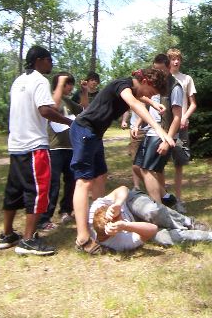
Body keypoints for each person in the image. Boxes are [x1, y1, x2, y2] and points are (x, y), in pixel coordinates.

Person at [70, 68, 176, 254]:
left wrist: (152, 102)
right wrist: (159, 130)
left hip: (95, 134)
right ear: (145, 81)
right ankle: (83, 238)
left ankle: (99, 222)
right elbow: (134, 102)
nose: (150, 95)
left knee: (100, 176)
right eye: (151, 92)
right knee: (84, 182)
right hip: (83, 129)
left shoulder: (133, 89)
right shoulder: (122, 84)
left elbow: (140, 97)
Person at [0, 46, 73, 256]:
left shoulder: (19, 81)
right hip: (34, 146)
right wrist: (69, 122)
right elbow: (45, 110)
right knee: (38, 192)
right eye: (49, 59)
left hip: (16, 145)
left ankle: (7, 234)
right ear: (39, 60)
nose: (51, 63)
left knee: (13, 190)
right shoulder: (40, 80)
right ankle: (28, 240)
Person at [88, 186, 212, 252]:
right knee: (165, 238)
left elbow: (123, 189)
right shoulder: (117, 242)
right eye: (119, 218)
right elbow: (152, 230)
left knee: (151, 211)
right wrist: (126, 226)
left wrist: (118, 204)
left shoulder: (96, 208)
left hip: (132, 201)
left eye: (118, 215)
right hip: (138, 227)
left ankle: (189, 222)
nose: (121, 215)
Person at [37, 72, 86, 232]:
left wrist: (84, 91)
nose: (70, 87)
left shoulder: (68, 101)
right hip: (55, 148)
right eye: (67, 83)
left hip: (70, 147)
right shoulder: (50, 98)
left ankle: (66, 210)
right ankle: (45, 218)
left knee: (71, 181)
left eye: (71, 83)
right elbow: (53, 107)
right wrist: (59, 83)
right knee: (53, 184)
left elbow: (84, 109)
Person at [134, 54, 184, 207]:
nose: (158, 73)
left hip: (164, 134)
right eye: (155, 69)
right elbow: (143, 102)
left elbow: (177, 117)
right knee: (137, 167)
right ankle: (167, 198)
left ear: (169, 68)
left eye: (161, 70)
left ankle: (158, 208)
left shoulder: (175, 87)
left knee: (148, 170)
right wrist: (137, 124)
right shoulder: (153, 83)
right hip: (150, 131)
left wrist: (167, 141)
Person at [167, 48, 197, 214]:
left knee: (179, 163)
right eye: (173, 59)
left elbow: (193, 104)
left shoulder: (187, 79)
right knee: (158, 164)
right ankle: (162, 198)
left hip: (182, 127)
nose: (176, 62)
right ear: (168, 61)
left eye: (178, 59)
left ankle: (178, 200)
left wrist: (184, 117)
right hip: (164, 127)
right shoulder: (163, 79)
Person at [121, 109, 148, 189]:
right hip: (136, 131)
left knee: (152, 159)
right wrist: (124, 121)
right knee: (135, 159)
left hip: (151, 130)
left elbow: (144, 111)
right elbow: (127, 110)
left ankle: (158, 184)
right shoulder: (132, 100)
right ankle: (136, 187)